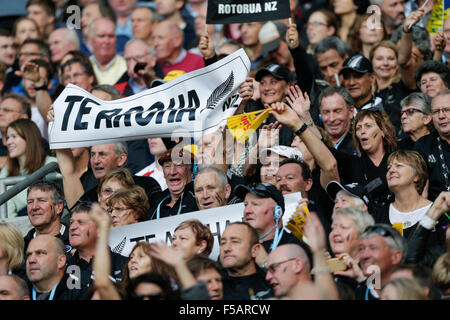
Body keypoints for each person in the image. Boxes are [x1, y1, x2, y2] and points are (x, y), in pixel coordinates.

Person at [0, 119, 56, 217]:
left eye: (14, 136)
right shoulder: (6, 171)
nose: (8, 142)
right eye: (8, 137)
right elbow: (8, 215)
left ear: (29, 138)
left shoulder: (52, 164)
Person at [66, 202, 127, 289]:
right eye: (71, 222)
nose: (72, 227)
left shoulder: (124, 265)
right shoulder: (64, 268)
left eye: (81, 222)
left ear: (99, 229)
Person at [219, 222, 272, 300]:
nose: (226, 248)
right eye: (223, 243)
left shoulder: (273, 285)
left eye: (235, 242)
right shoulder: (213, 289)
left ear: (254, 250)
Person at [26, 234, 87, 300]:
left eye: (40, 253)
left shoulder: (82, 292)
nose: (31, 260)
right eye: (29, 255)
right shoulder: (17, 290)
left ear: (60, 261)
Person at [414, 89, 450, 201]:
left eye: (446, 110)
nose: (441, 116)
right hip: (439, 210)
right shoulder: (423, 145)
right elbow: (419, 191)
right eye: (436, 112)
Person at [356, 224, 407, 300]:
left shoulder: (411, 294)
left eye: (373, 248)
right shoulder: (352, 293)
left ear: (395, 257)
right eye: (361, 248)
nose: (365, 255)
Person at [150, 147, 198, 219]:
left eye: (178, 165)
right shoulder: (155, 205)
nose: (172, 172)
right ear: (163, 173)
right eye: (167, 166)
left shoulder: (199, 198)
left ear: (192, 172)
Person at [23, 181, 69, 252]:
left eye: (41, 200)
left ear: (59, 207)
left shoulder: (75, 239)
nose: (34, 207)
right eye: (30, 202)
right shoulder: (21, 247)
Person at [317, 86, 357, 156]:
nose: (331, 119)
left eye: (337, 111)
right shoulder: (314, 142)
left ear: (351, 112)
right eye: (326, 112)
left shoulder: (361, 145)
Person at [88, 17, 127, 85]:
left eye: (111, 36)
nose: (106, 41)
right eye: (101, 36)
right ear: (90, 40)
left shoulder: (126, 66)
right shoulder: (83, 67)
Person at [0, 92, 32, 169]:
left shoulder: (35, 142)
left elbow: (38, 161)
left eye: (7, 110)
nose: (0, 113)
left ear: (23, 117)